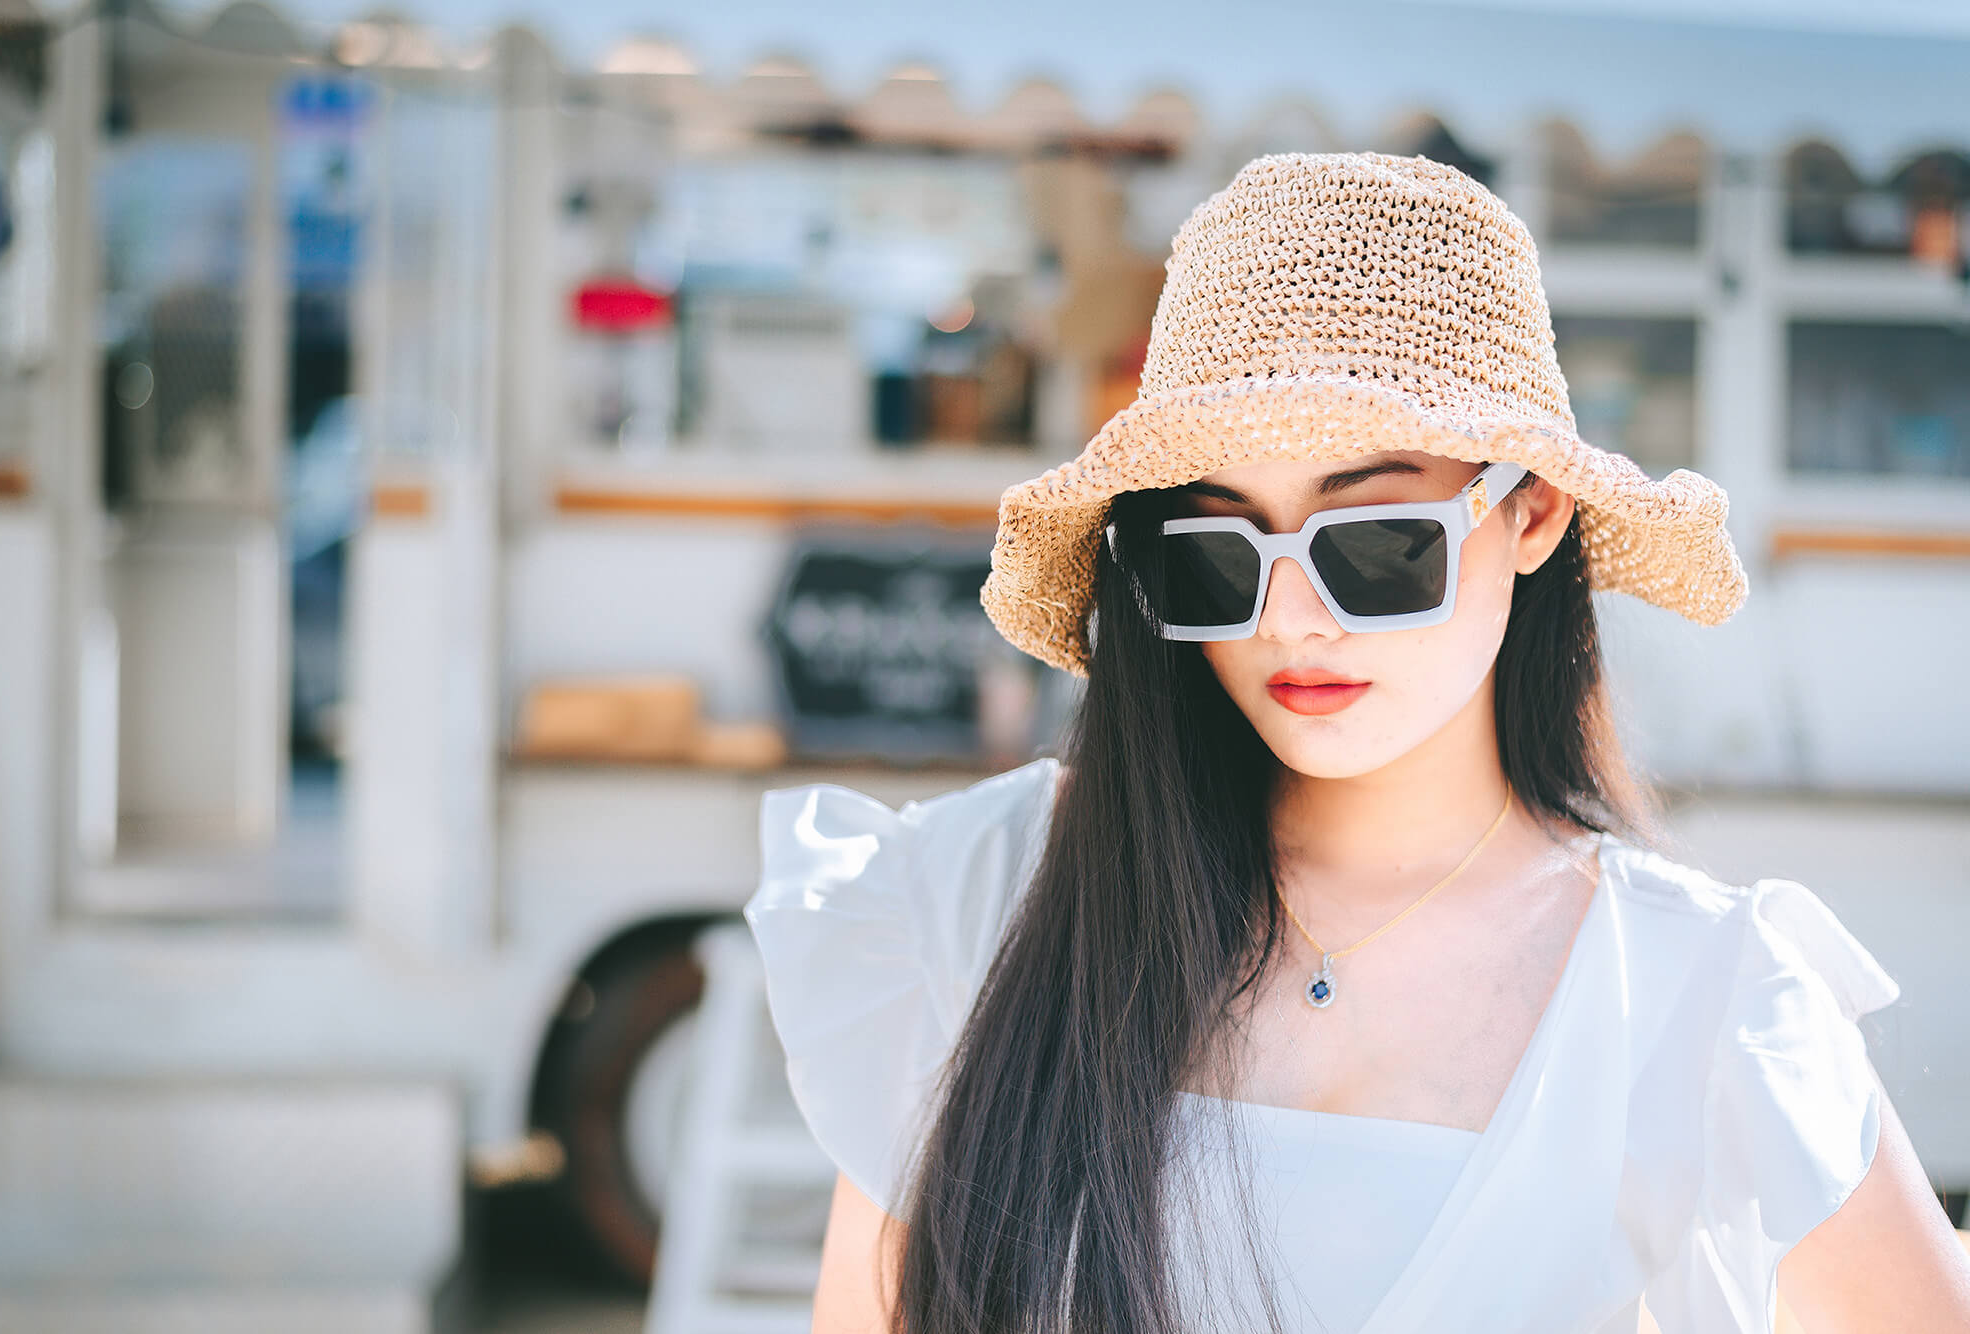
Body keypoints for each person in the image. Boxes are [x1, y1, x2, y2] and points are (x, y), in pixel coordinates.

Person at [743, 152, 1970, 1333]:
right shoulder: (985, 890)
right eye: (1217, 553)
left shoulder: (1697, 988)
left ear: (1530, 511)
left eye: (1375, 544)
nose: (1289, 616)